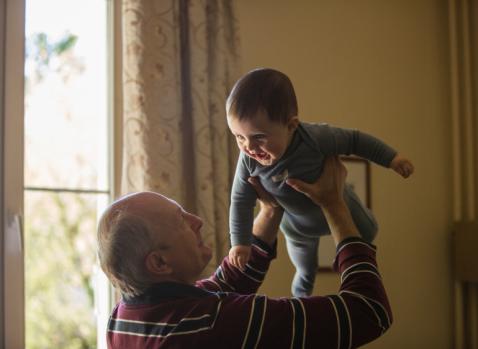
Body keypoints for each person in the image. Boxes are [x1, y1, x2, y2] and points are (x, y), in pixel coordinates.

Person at [97, 156, 393, 348]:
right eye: (181, 221)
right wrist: (334, 205)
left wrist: (270, 210)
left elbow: (224, 284)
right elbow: (368, 311)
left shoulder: (124, 318)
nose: (197, 222)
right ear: (159, 262)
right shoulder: (216, 324)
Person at [227, 67, 414, 296]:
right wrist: (240, 242)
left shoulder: (315, 138)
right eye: (239, 137)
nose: (249, 147)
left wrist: (392, 158)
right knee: (305, 269)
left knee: (369, 232)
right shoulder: (248, 160)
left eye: (259, 137)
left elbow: (355, 141)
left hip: (340, 202)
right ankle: (301, 298)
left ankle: (345, 263)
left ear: (291, 126)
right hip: (297, 227)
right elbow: (240, 200)